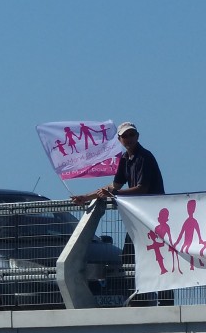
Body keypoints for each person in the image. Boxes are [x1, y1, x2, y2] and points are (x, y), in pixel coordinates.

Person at [70, 122, 172, 306]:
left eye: (132, 135)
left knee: (160, 259)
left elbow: (142, 189)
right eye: (125, 136)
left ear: (138, 136)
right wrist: (86, 197)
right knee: (130, 258)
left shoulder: (144, 157)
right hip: (139, 219)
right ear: (120, 140)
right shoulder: (125, 159)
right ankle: (138, 299)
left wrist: (114, 194)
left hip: (154, 219)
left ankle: (165, 304)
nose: (129, 138)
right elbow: (114, 186)